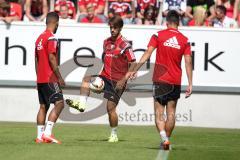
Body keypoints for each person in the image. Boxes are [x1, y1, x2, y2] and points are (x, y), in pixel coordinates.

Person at [125, 10, 192, 150]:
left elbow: (148, 53)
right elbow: (188, 63)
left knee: (159, 113)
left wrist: (135, 69)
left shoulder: (158, 35)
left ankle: (163, 138)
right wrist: (190, 83)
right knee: (171, 113)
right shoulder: (185, 40)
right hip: (175, 81)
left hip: (160, 80)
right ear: (178, 23)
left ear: (166, 22)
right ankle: (166, 140)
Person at [66, 15, 136, 143]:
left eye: (115, 28)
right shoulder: (106, 42)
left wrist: (125, 79)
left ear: (120, 28)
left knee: (110, 108)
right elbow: (106, 61)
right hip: (105, 76)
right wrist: (99, 74)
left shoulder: (125, 44)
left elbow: (133, 62)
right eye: (111, 27)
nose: (112, 30)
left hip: (118, 81)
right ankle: (81, 104)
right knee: (86, 79)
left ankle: (114, 134)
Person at [35, 12, 65, 144]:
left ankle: (39, 137)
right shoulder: (51, 38)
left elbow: (36, 60)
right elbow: (52, 58)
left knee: (43, 106)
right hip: (50, 78)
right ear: (56, 23)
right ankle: (47, 134)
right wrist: (59, 77)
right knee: (60, 104)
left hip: (41, 78)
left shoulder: (39, 39)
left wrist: (37, 77)